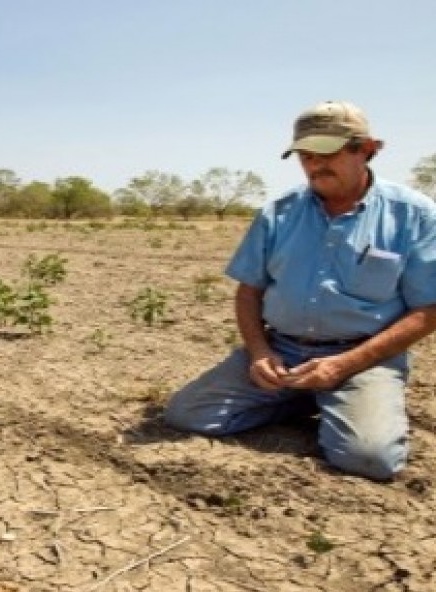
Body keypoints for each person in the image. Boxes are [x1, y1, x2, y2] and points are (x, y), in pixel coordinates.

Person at [164, 100, 436, 481]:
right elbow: (248, 292)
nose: (314, 164)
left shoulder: (415, 215)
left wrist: (343, 365)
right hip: (282, 351)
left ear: (367, 150)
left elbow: (428, 310)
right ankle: (300, 397)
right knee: (186, 414)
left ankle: (340, 400)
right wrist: (260, 352)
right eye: (304, 155)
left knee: (369, 459)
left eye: (327, 152)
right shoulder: (278, 212)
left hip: (362, 358)